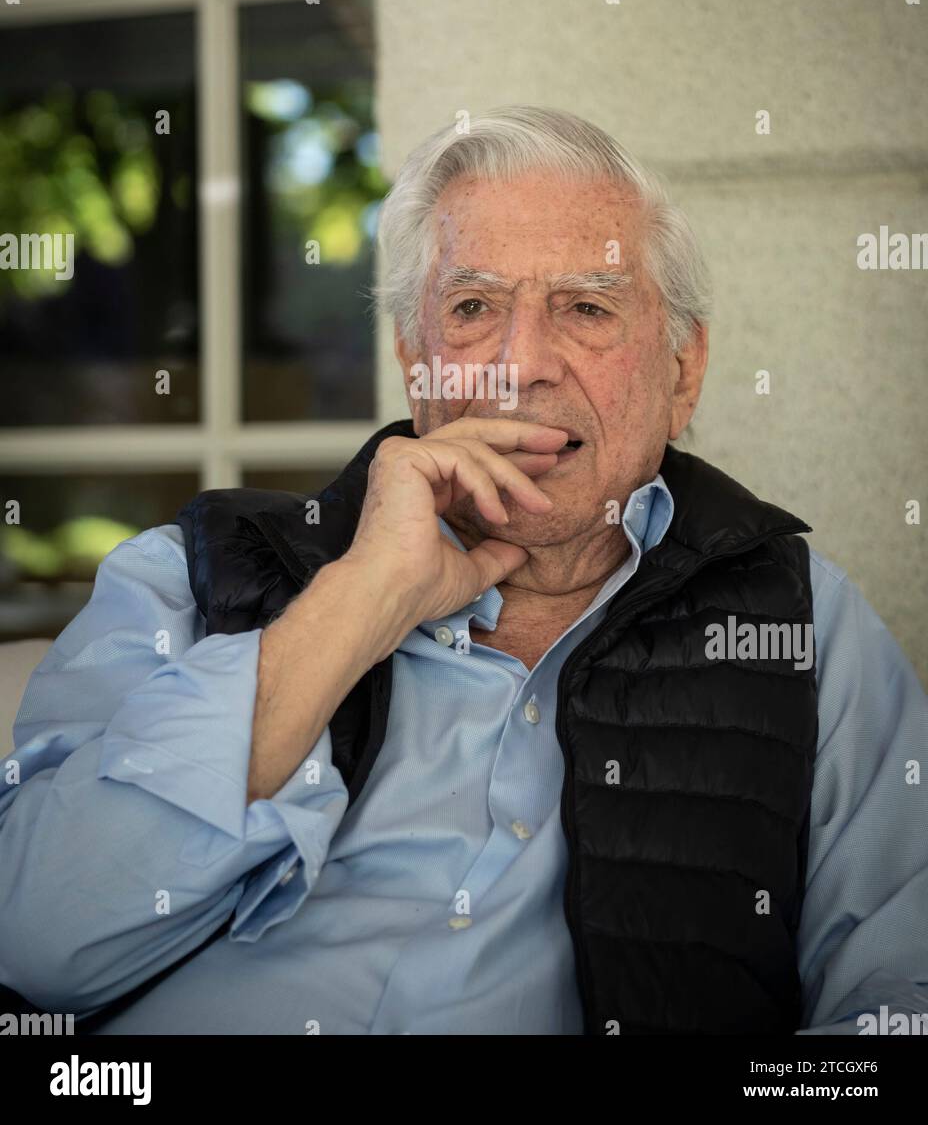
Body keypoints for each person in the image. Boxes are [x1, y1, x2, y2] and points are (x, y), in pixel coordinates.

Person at [1, 106, 926, 1036]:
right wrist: (360, 601)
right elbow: (36, 941)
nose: (519, 366)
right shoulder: (189, 574)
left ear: (683, 373)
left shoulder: (803, 625)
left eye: (588, 308)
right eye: (474, 309)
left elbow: (899, 1010)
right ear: (415, 358)